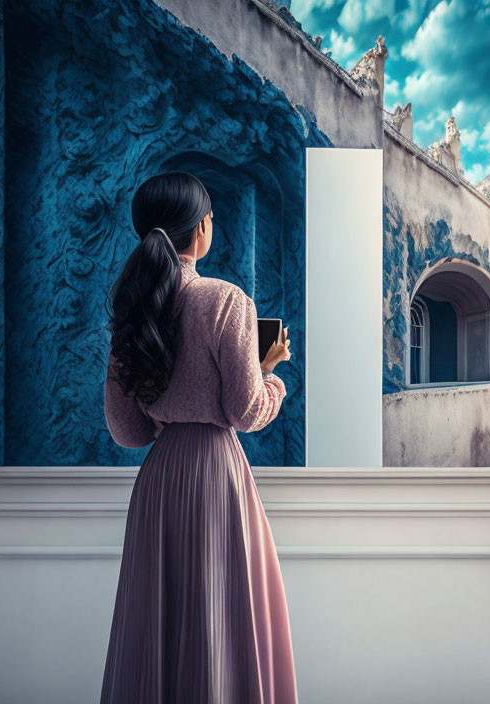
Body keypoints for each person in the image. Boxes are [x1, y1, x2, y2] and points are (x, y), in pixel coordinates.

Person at [100, 171, 297, 703]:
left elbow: (128, 430)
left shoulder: (135, 311)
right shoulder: (226, 301)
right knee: (222, 616)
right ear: (200, 229)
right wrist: (271, 374)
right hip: (216, 475)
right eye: (210, 216)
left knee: (158, 623)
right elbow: (246, 409)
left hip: (161, 480)